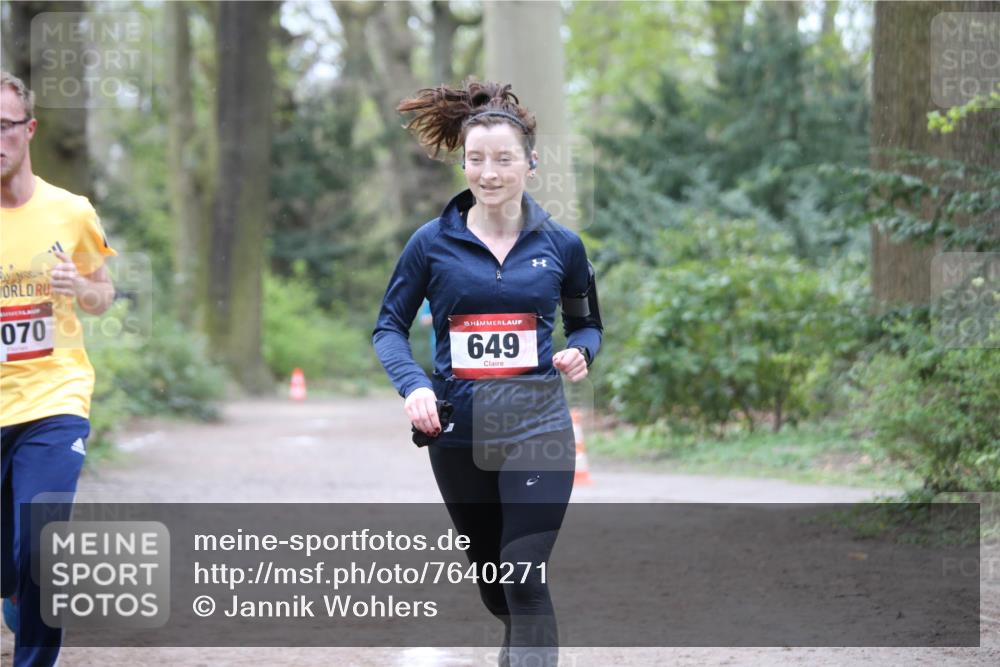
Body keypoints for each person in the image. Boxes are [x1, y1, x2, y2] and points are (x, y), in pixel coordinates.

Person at [373, 80, 603, 667]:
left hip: (538, 430)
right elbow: (388, 328)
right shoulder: (430, 244)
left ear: (530, 162)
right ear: (463, 162)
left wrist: (581, 351)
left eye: (503, 159)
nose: (489, 172)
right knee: (495, 585)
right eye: (476, 159)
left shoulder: (562, 245)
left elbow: (586, 324)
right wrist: (415, 385)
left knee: (524, 576)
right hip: (460, 437)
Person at [1, 71, 116, 667]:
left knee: (42, 545)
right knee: (11, 563)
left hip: (54, 400)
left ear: (29, 130)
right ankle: (13, 585)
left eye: (4, 126)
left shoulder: (70, 212)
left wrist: (80, 286)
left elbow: (104, 295)